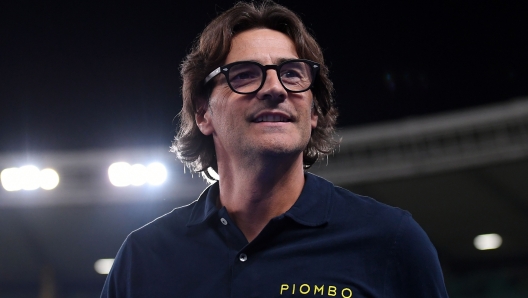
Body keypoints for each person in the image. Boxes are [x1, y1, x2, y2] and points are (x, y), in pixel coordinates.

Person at [101, 1, 449, 297]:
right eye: (245, 74)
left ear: (313, 112)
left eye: (293, 74)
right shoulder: (142, 258)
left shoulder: (391, 241)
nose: (275, 89)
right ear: (203, 113)